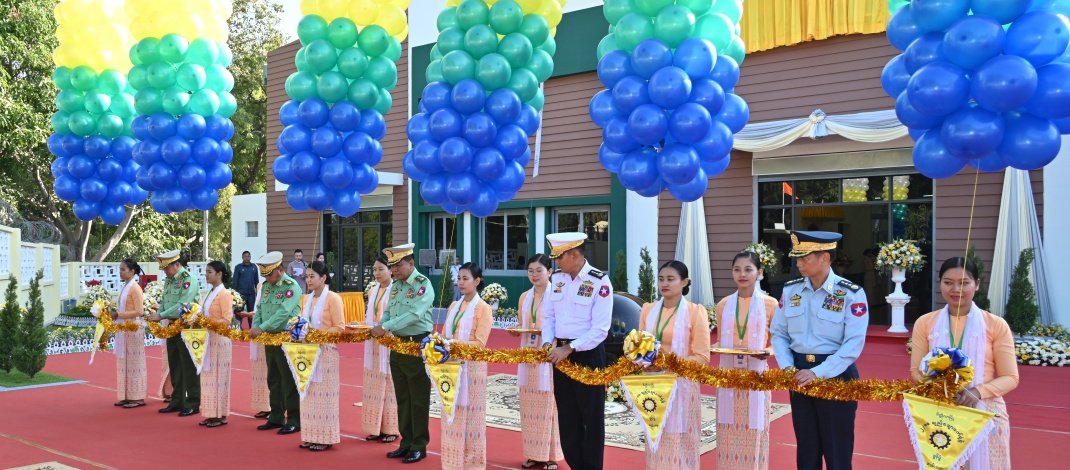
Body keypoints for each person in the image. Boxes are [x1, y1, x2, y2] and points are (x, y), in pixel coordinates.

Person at [770, 231, 869, 470]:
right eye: (798, 258)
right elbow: (779, 333)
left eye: (805, 258)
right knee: (806, 448)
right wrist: (787, 367)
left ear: (825, 258)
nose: (798, 263)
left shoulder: (851, 293)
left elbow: (853, 344)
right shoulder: (791, 290)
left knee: (837, 451)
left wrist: (818, 373)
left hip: (836, 376)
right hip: (798, 373)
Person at [909, 257, 1018, 468]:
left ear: (977, 285)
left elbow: (1011, 377)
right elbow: (916, 370)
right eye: (948, 282)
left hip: (985, 412)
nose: (956, 289)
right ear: (939, 283)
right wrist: (938, 386)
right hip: (940, 411)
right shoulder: (925, 323)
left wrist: (977, 392)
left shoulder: (995, 325)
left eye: (964, 283)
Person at [541, 232, 613, 470]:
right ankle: (576, 465)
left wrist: (569, 348)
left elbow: (600, 329)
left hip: (587, 353)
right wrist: (547, 342)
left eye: (559, 257)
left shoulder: (600, 281)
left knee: (591, 418)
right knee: (567, 415)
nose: (556, 262)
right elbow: (549, 316)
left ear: (574, 254)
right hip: (560, 353)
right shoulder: (558, 280)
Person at [633, 260, 710, 469]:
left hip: (682, 387)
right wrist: (643, 362)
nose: (664, 284)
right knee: (655, 440)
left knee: (680, 440)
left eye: (670, 279)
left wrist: (666, 364)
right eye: (661, 279)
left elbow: (702, 357)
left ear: (684, 282)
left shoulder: (695, 311)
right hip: (652, 384)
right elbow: (639, 347)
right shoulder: (648, 309)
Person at [370, 243, 435, 464]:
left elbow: (415, 314)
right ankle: (406, 442)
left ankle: (419, 445)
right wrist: (382, 324)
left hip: (416, 344)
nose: (395, 270)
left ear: (411, 263)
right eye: (393, 266)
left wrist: (386, 326)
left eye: (398, 265)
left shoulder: (422, 284)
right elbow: (388, 310)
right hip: (397, 344)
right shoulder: (396, 286)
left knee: (418, 398)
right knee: (403, 397)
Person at [715, 252, 778, 470]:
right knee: (727, 429)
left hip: (756, 377)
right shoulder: (724, 305)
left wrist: (768, 352)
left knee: (755, 431)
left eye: (748, 269)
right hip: (728, 377)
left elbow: (779, 341)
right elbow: (722, 339)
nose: (742, 274)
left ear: (759, 273)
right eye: (737, 269)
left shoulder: (771, 305)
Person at [510, 254, 563, 470]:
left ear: (550, 272)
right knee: (528, 405)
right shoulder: (524, 297)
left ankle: (550, 455)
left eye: (539, 270)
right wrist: (516, 331)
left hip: (549, 356)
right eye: (530, 271)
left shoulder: (557, 295)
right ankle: (533, 453)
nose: (534, 275)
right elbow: (523, 324)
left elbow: (562, 326)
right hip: (528, 355)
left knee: (549, 405)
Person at [439, 262, 493, 469]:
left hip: (472, 369)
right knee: (452, 414)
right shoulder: (454, 306)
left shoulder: (484, 308)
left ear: (477, 281)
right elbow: (445, 334)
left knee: (472, 418)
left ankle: (472, 464)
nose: (460, 282)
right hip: (451, 368)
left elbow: (480, 344)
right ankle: (452, 462)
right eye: (459, 278)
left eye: (465, 278)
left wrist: (452, 344)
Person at [251, 251, 302, 435]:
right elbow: (260, 308)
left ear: (280, 270)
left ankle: (294, 419)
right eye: (264, 275)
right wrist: (256, 326)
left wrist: (262, 327)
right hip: (269, 339)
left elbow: (283, 313)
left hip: (286, 338)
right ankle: (276, 415)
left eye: (269, 275)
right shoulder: (266, 286)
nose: (267, 279)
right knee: (273, 378)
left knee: (288, 380)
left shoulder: (291, 287)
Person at [299, 261, 346, 452]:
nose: (309, 280)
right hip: (307, 353)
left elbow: (340, 327)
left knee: (324, 397)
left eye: (312, 276)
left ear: (324, 278)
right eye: (307, 276)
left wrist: (318, 336)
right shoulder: (307, 299)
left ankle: (325, 437)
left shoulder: (333, 298)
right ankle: (311, 435)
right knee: (308, 394)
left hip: (326, 353)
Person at [149, 250, 201, 417]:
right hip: (171, 326)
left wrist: (161, 315)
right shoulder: (169, 280)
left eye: (167, 268)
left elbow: (182, 303)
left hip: (186, 326)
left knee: (188, 366)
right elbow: (165, 301)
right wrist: (160, 312)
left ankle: (192, 402)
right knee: (175, 365)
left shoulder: (188, 280)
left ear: (177, 265)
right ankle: (177, 400)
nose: (165, 272)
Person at [360, 255, 399, 444]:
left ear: (391, 269)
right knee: (374, 382)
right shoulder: (373, 290)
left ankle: (391, 428)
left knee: (390, 384)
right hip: (374, 343)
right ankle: (375, 427)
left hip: (390, 342)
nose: (376, 273)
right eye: (374, 269)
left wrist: (385, 329)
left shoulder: (396, 290)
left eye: (380, 269)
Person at [199, 261, 234, 428]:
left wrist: (208, 324)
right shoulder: (208, 293)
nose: (206, 274)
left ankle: (220, 415)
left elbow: (227, 320)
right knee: (208, 377)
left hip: (220, 341)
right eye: (206, 271)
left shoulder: (224, 294)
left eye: (209, 271)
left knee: (219, 378)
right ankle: (210, 412)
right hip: (208, 340)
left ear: (219, 274)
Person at [112, 259, 147, 408]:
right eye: (120, 269)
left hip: (133, 329)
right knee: (124, 363)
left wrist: (119, 314)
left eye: (123, 269)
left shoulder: (135, 288)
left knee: (135, 363)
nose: (120, 272)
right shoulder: (126, 286)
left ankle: (137, 397)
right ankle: (126, 395)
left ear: (132, 271)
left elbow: (139, 311)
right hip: (123, 329)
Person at [248, 281, 271, 419]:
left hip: (270, 332)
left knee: (273, 373)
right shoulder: (261, 285)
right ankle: (264, 406)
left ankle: (276, 408)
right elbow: (259, 308)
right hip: (258, 331)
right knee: (260, 371)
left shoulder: (283, 286)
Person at [233, 251, 259, 329]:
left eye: (248, 256)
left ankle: (252, 327)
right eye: (245, 256)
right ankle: (239, 327)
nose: (247, 258)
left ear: (250, 257)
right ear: (242, 257)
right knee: (239, 311)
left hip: (251, 293)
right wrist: (234, 294)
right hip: (241, 294)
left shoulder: (254, 267)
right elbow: (235, 280)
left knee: (251, 311)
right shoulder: (238, 267)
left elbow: (256, 281)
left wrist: (257, 291)